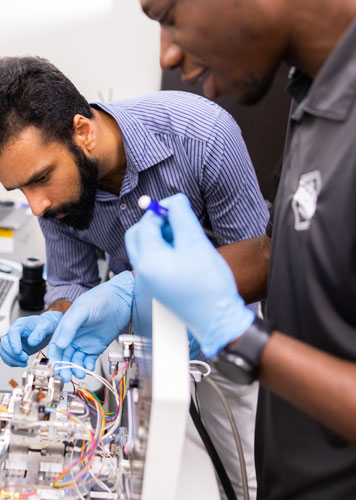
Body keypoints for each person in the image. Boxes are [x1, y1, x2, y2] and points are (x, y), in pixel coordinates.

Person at [0, 55, 269, 499]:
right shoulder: (55, 196)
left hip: (224, 341)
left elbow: (260, 260)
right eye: (21, 190)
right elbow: (70, 284)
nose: (36, 206)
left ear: (82, 131)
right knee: (163, 479)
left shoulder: (202, 135)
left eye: (40, 179)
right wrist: (57, 318)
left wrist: (152, 295)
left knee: (245, 479)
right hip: (138, 356)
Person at [127, 0, 356, 498]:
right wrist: (135, 294)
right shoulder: (314, 91)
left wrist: (240, 336)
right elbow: (284, 252)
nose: (166, 54)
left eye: (167, 15)